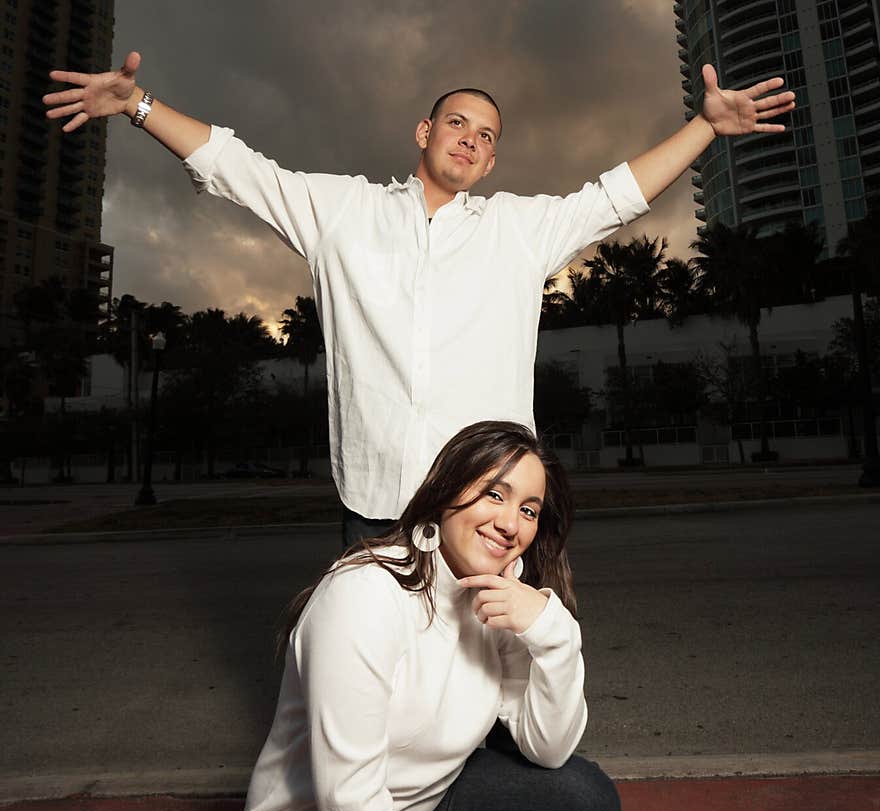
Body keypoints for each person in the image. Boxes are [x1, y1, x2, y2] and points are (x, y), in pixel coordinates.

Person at [44, 54, 795, 545]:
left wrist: (707, 125)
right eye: (458, 122)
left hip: (489, 506)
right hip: (377, 507)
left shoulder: (519, 231)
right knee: (375, 693)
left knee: (486, 701)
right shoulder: (342, 213)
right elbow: (239, 168)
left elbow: (616, 196)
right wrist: (139, 104)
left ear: (494, 158)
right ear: (425, 131)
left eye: (487, 135)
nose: (471, 139)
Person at [228, 419, 641, 811]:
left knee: (583, 802)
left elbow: (548, 749)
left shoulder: (494, 596)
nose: (511, 521)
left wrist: (554, 637)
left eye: (529, 507)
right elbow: (350, 808)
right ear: (445, 491)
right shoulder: (365, 593)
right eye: (494, 494)